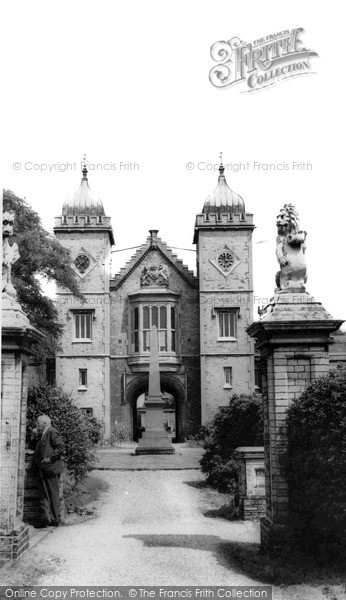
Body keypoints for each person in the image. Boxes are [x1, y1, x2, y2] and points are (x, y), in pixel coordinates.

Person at [30, 414, 65, 528]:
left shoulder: (52, 432)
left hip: (50, 469)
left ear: (44, 423)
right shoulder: (42, 433)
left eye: (38, 423)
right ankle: (45, 519)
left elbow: (61, 447)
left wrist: (50, 458)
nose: (36, 425)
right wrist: (33, 436)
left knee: (53, 494)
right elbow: (34, 447)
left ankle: (55, 520)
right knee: (44, 495)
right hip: (43, 469)